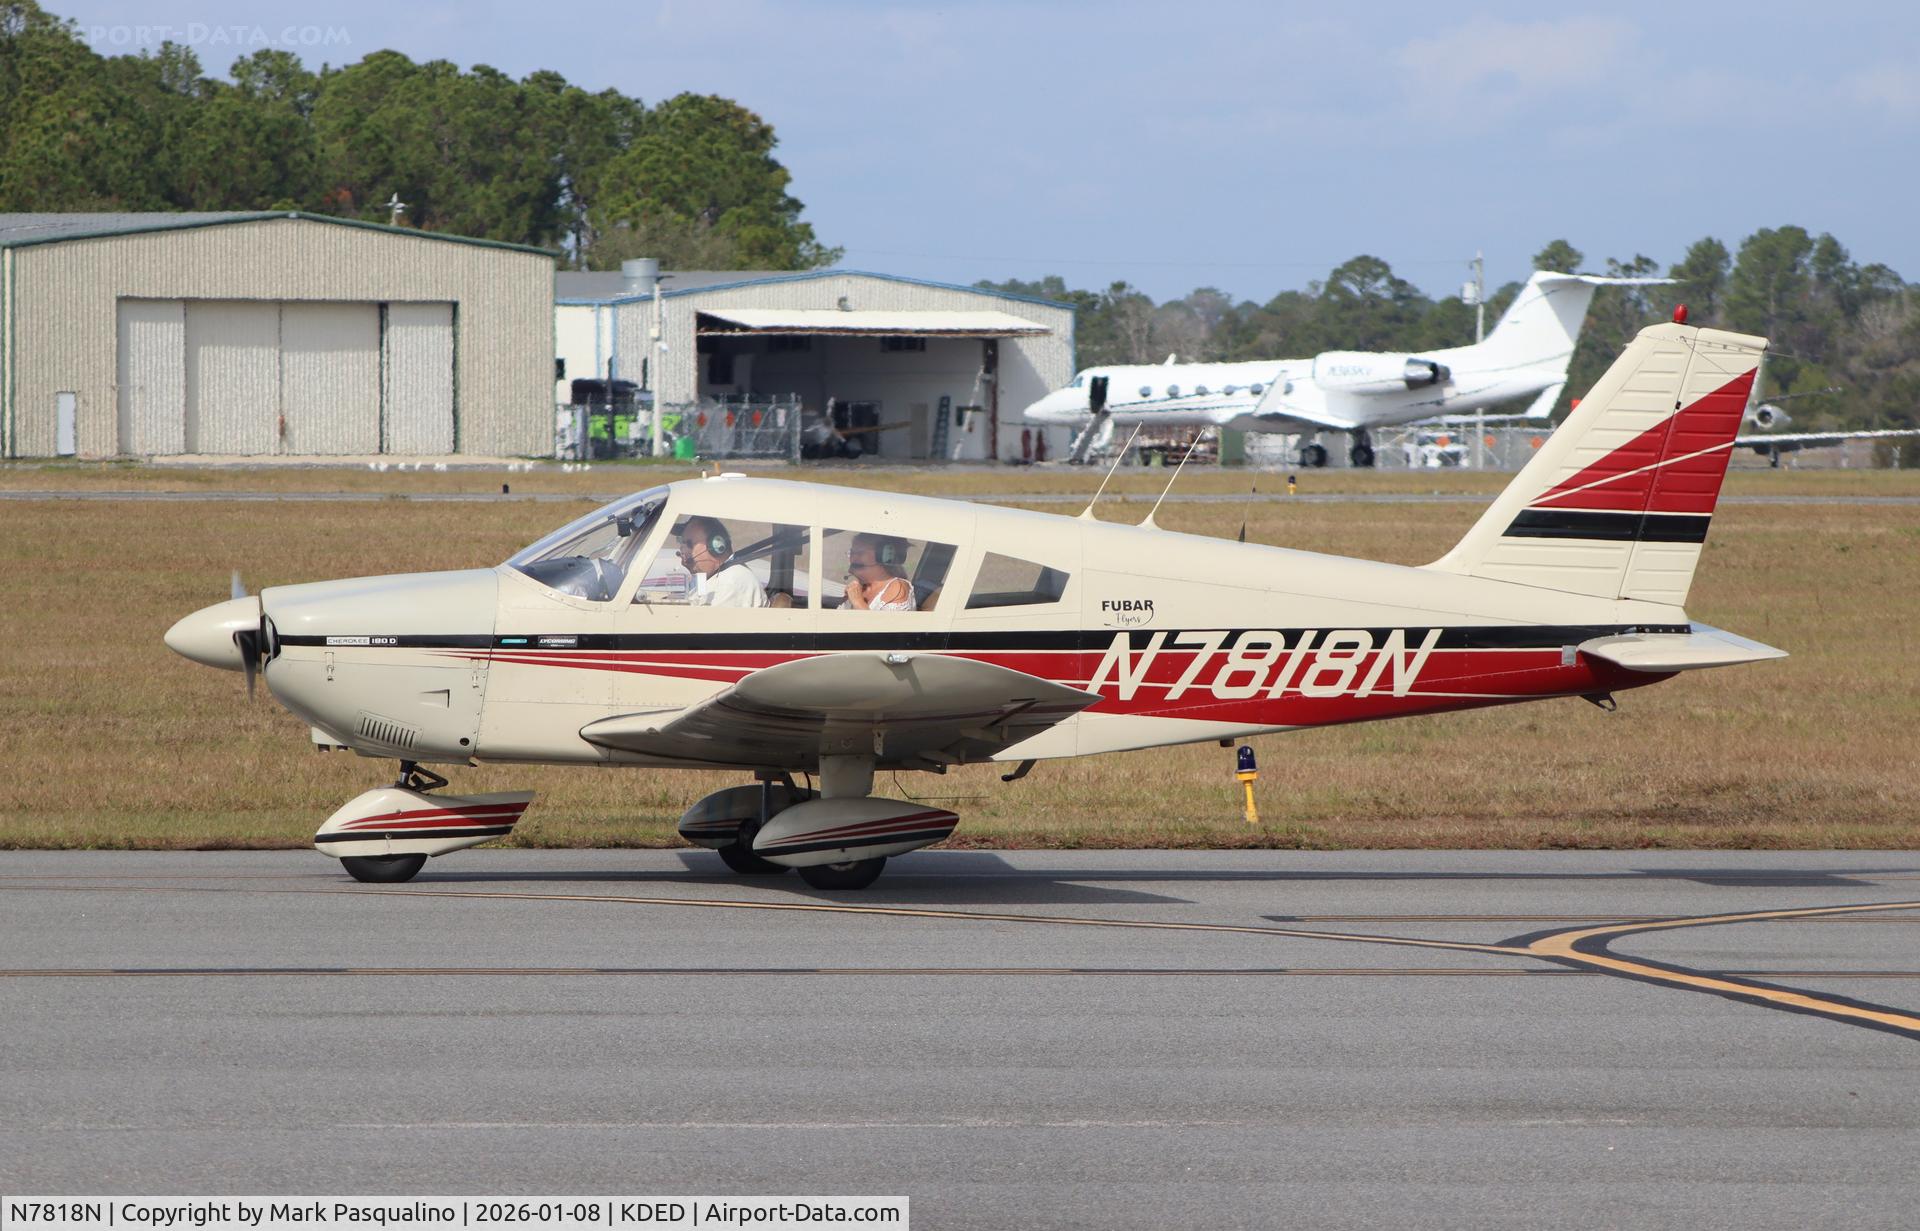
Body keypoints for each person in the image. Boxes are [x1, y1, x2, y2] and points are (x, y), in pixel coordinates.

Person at [677, 516, 767, 607]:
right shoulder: (714, 577)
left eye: (689, 544)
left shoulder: (729, 583)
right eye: (682, 543)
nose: (683, 550)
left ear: (717, 545)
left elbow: (701, 619)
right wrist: (693, 569)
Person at [843, 533, 916, 611]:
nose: (852, 558)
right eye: (851, 552)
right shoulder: (864, 585)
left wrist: (858, 603)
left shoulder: (898, 591)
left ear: (885, 556)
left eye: (860, 553)